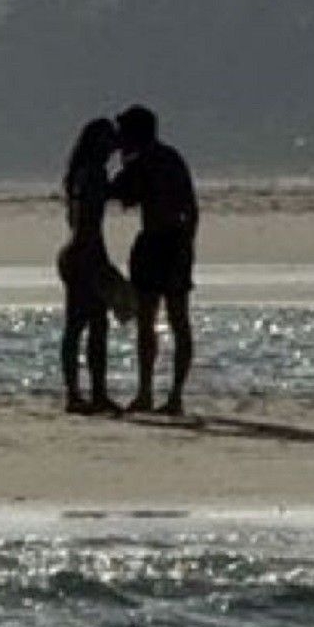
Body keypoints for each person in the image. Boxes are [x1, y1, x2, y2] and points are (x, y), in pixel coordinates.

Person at [110, 104, 198, 416]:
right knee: (173, 320)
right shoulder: (170, 159)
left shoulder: (147, 162)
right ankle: (169, 395)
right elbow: (191, 206)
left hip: (160, 242)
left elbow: (119, 193)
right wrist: (188, 244)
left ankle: (153, 392)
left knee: (155, 320)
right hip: (173, 241)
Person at [56, 117, 128, 415]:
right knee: (94, 326)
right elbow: (89, 226)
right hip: (86, 254)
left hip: (73, 253)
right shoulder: (94, 175)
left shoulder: (77, 175)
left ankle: (77, 393)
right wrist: (100, 263)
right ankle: (91, 393)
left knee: (78, 326)